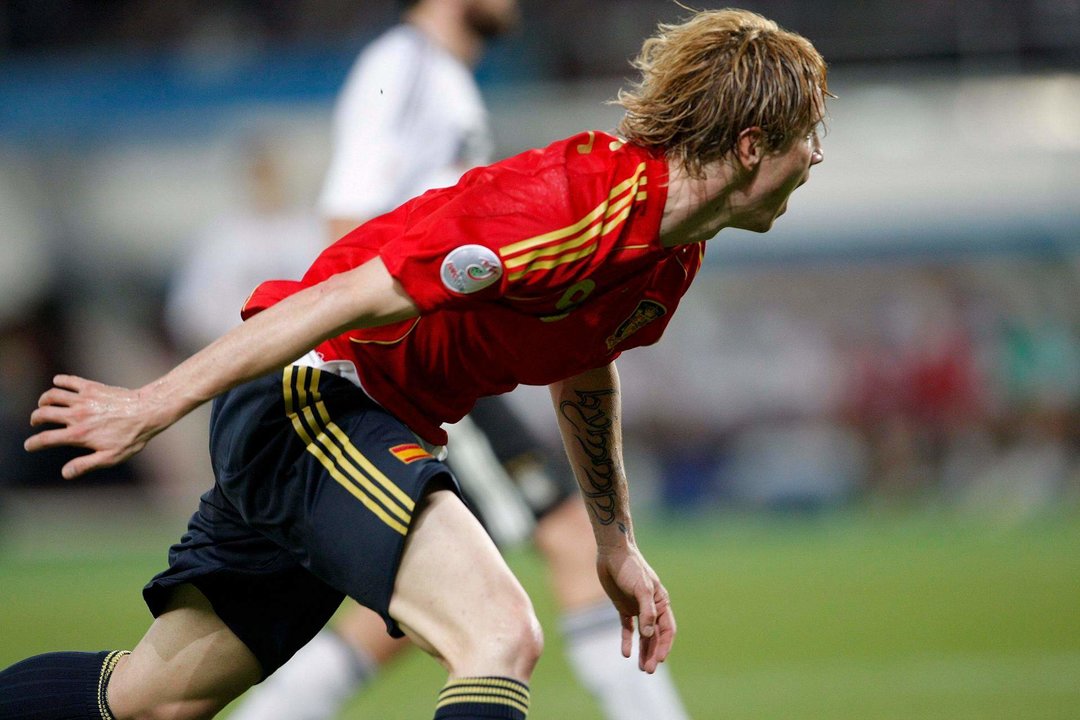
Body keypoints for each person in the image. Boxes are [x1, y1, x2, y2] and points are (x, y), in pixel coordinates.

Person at [1, 8, 829, 720]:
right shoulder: (567, 204)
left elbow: (584, 364)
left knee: (154, 699)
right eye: (809, 137)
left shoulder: (670, 256)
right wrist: (156, 402)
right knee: (498, 634)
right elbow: (344, 295)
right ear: (753, 144)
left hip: (363, 418)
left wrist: (614, 542)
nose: (818, 157)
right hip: (316, 396)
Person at [226, 1, 692, 718]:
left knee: (428, 602)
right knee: (566, 538)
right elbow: (349, 218)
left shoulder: (441, 76)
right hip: (408, 351)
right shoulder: (405, 68)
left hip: (436, 350)